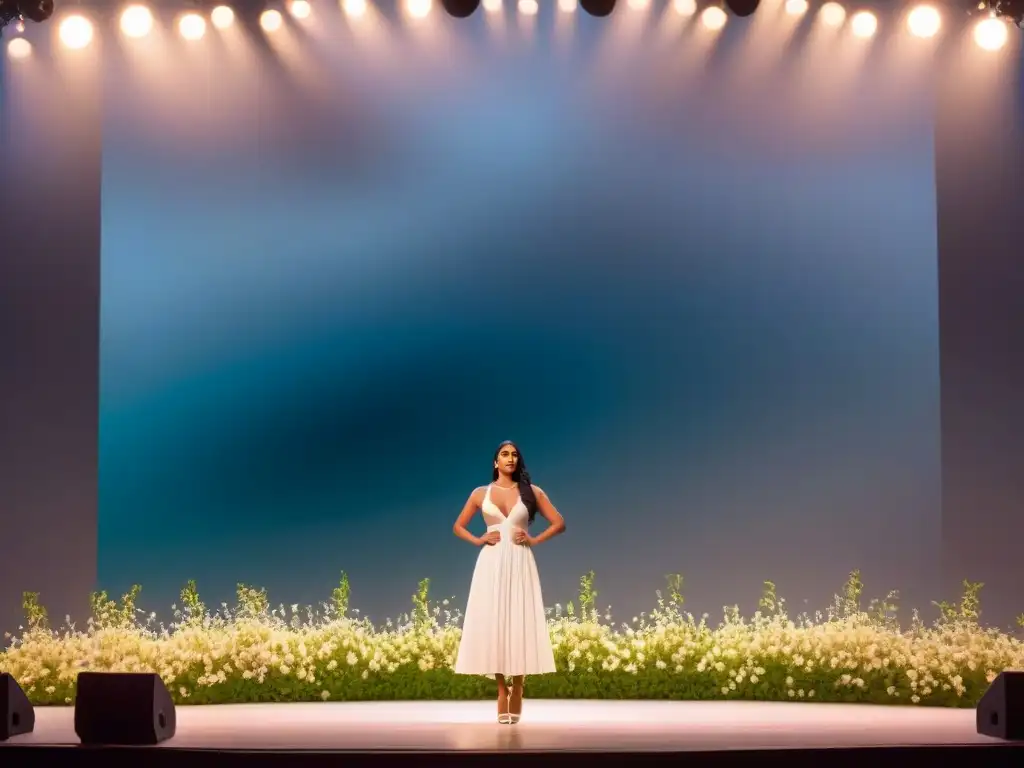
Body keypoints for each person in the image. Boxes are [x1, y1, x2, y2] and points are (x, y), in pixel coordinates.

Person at [452, 440, 566, 724]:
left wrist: (535, 539)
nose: (510, 458)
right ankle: (502, 689)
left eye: (514, 454)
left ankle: (519, 684)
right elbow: (458, 526)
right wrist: (478, 539)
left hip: (519, 561)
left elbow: (559, 522)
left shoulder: (531, 492)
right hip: (491, 563)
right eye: (505, 454)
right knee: (496, 622)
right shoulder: (481, 493)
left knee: (518, 619)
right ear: (495, 462)